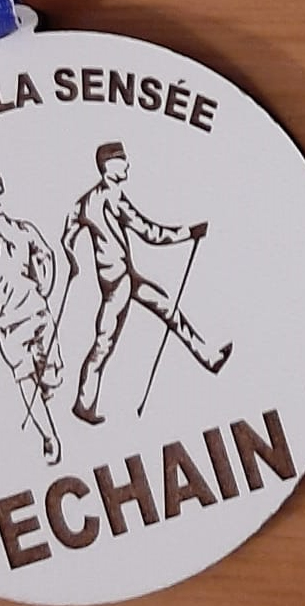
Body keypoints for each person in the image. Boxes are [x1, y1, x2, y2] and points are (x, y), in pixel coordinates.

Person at [62, 142, 232, 425]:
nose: (127, 164)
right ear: (108, 166)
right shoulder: (113, 198)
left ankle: (209, 358)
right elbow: (150, 232)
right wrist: (188, 233)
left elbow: (68, 232)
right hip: (118, 281)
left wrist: (72, 259)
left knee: (167, 308)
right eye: (122, 160)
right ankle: (83, 404)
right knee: (104, 343)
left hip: (120, 276)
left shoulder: (86, 200)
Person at [0, 174, 63, 466]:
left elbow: (46, 255)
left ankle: (48, 388)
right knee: (24, 379)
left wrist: (45, 285)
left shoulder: (23, 230)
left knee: (53, 375)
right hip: (7, 324)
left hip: (37, 312)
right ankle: (49, 437)